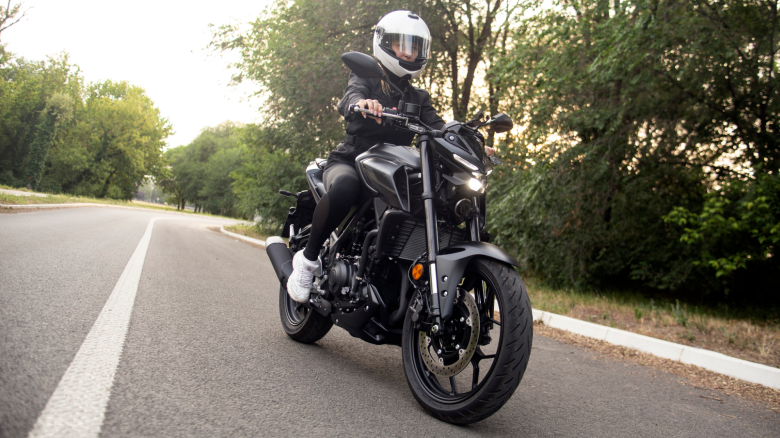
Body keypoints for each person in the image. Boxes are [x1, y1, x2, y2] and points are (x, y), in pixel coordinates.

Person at [287, 10, 493, 303]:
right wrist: (362, 104)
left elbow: (439, 127)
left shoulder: (419, 98)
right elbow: (350, 98)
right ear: (384, 43)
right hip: (351, 162)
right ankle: (306, 263)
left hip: (392, 167)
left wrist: (470, 141)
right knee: (345, 186)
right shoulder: (366, 77)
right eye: (402, 45)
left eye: (415, 47)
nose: (409, 53)